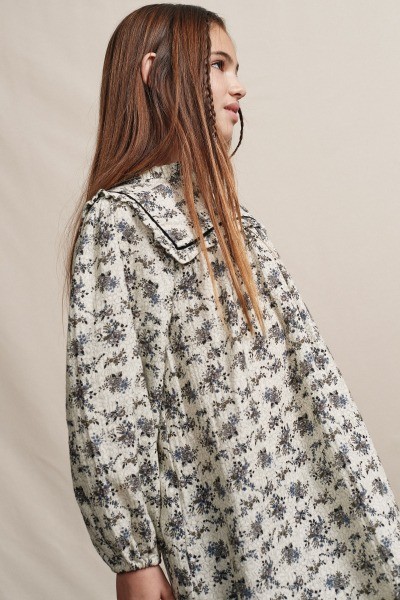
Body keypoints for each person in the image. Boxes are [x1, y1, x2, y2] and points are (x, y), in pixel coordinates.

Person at [64, 4, 400, 599]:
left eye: (235, 67)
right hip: (233, 524)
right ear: (155, 73)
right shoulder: (121, 222)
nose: (238, 85)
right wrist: (134, 558)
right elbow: (110, 401)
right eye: (218, 65)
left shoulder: (228, 214)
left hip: (312, 501)